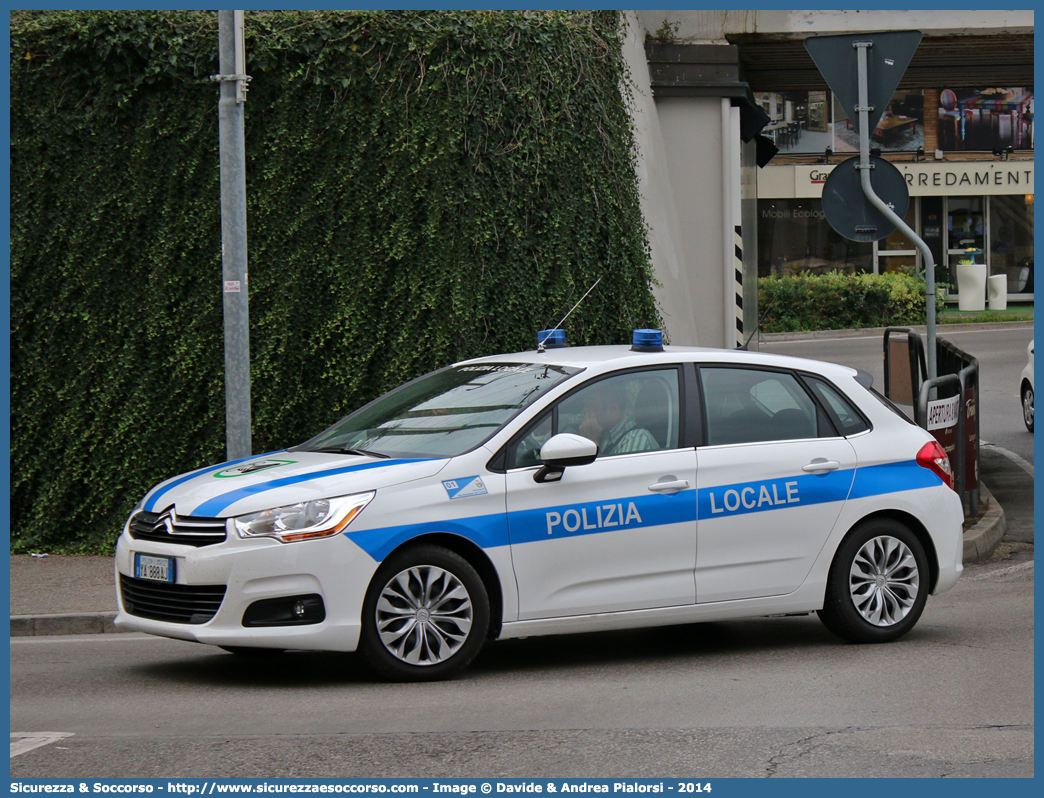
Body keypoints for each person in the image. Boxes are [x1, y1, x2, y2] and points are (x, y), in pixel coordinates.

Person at [577, 380, 659, 456]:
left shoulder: (637, 437)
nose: (583, 411)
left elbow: (618, 471)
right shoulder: (604, 435)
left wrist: (593, 443)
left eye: (590, 404)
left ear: (613, 409)